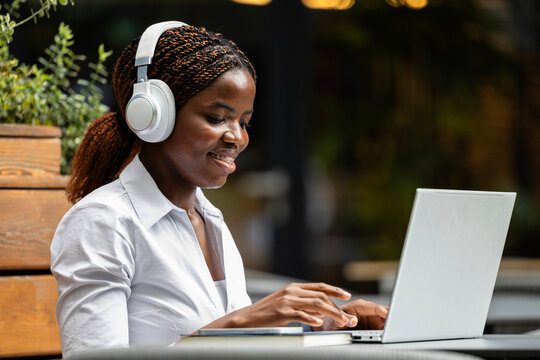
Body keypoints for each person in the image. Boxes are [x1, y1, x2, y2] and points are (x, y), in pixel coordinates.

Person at [50, 21, 388, 356]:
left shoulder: (209, 219)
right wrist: (242, 321)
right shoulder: (103, 222)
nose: (237, 138)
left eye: (244, 122)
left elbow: (229, 346)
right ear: (153, 116)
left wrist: (329, 326)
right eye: (216, 118)